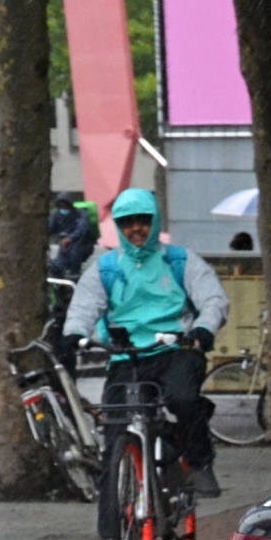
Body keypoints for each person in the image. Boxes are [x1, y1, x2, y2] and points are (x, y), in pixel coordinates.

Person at [62, 188, 227, 513]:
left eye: (143, 220)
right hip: (126, 356)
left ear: (155, 222)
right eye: (127, 223)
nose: (135, 228)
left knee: (182, 398)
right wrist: (73, 335)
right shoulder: (105, 269)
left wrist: (203, 330)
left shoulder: (181, 260)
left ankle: (198, 460)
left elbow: (213, 299)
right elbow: (83, 307)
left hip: (176, 349)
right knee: (113, 439)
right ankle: (113, 533)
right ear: (120, 228)